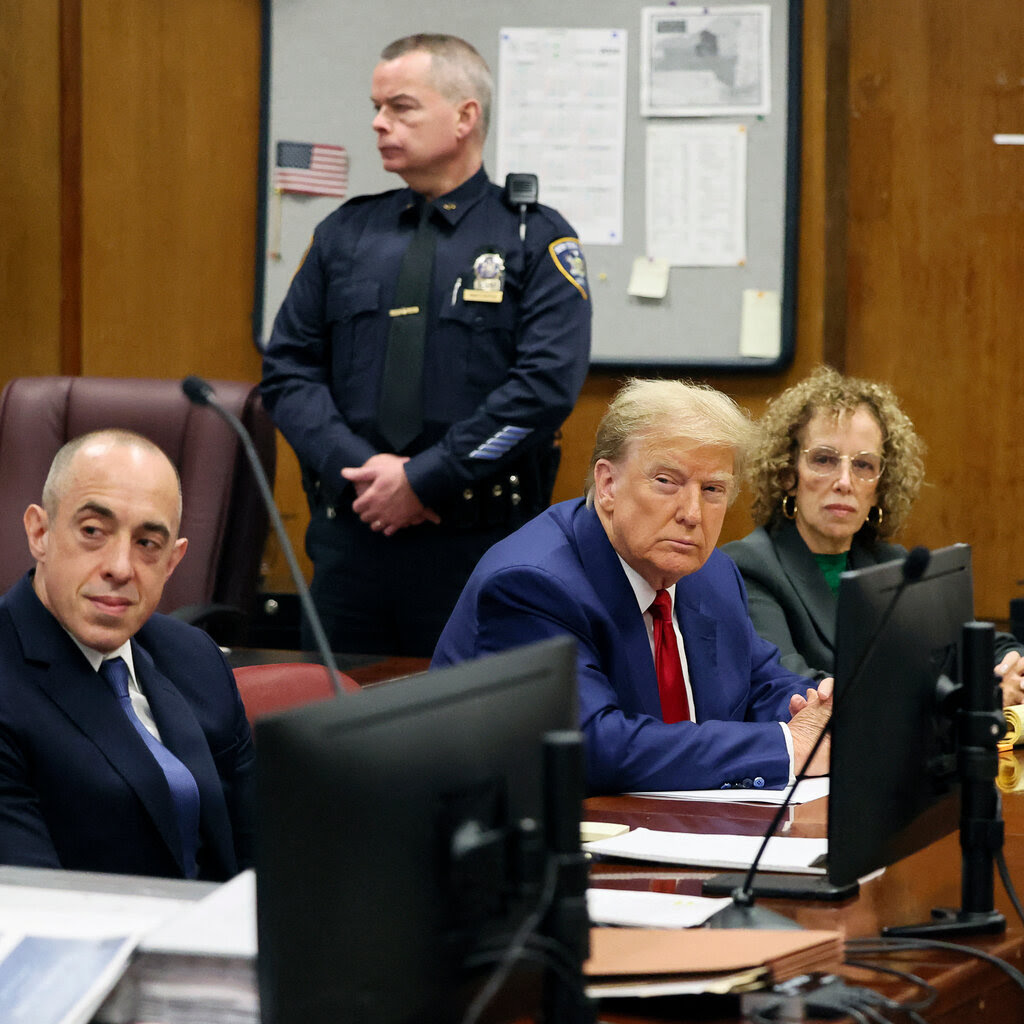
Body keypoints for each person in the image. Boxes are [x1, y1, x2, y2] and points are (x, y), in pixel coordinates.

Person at [261, 33, 591, 657]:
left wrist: (426, 478)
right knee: (334, 732)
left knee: (472, 739)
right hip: (353, 541)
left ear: (466, 115)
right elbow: (287, 371)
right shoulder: (345, 233)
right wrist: (360, 473)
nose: (379, 123)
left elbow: (545, 386)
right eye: (377, 107)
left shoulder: (534, 239)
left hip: (481, 543)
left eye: (401, 106)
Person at [433, 379, 832, 794]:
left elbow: (764, 683)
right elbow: (594, 747)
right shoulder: (531, 586)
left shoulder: (711, 574)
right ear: (607, 484)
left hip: (682, 828)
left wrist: (826, 714)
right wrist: (787, 746)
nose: (692, 513)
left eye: (712, 489)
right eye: (666, 481)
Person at [0, 429, 255, 880]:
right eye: (93, 532)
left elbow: (264, 845)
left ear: (173, 562)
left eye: (147, 544)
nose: (120, 566)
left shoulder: (194, 656)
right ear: (39, 533)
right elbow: (33, 899)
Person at [722, 365, 1024, 703]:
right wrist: (972, 694)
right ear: (787, 474)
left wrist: (1008, 666)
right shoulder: (750, 566)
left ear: (881, 487)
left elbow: (975, 645)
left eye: (864, 465)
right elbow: (795, 685)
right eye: (824, 459)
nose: (845, 482)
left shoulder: (894, 565)